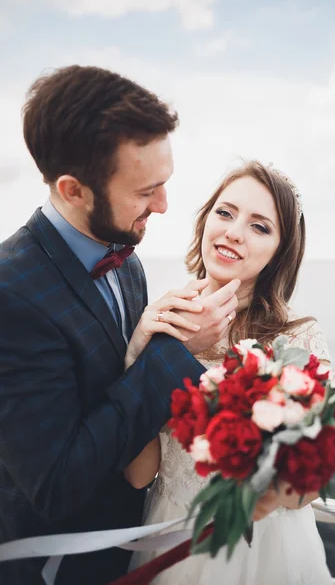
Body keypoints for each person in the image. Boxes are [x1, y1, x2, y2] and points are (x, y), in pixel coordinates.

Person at [0, 65, 242, 585]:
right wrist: (179, 349)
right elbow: (56, 485)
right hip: (55, 566)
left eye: (165, 183)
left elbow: (123, 388)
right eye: (146, 191)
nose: (164, 205)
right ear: (73, 189)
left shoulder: (127, 260)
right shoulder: (10, 295)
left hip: (135, 548)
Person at [127, 161, 333, 584]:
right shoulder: (162, 319)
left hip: (260, 553)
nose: (234, 232)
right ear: (205, 220)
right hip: (168, 536)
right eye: (225, 213)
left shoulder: (297, 339)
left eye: (260, 227)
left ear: (280, 251)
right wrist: (136, 357)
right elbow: (139, 474)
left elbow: (303, 494)